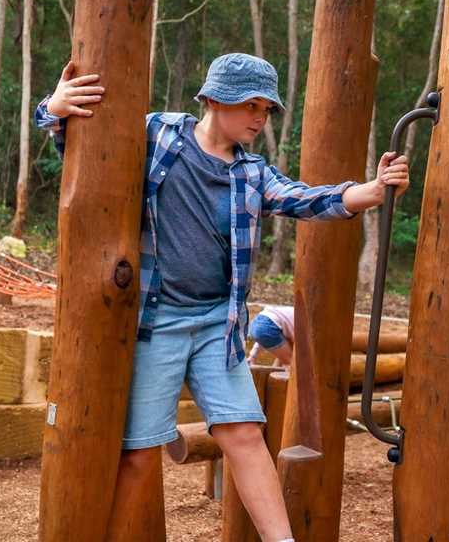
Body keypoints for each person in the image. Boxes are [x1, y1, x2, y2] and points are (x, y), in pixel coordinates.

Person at [35, 53, 409, 542]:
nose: (259, 118)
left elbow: (307, 199)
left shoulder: (252, 173)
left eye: (266, 110)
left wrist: (373, 189)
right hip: (156, 321)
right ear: (213, 99)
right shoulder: (159, 134)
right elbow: (86, 148)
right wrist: (55, 108)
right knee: (139, 454)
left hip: (219, 323)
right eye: (250, 105)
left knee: (245, 435)